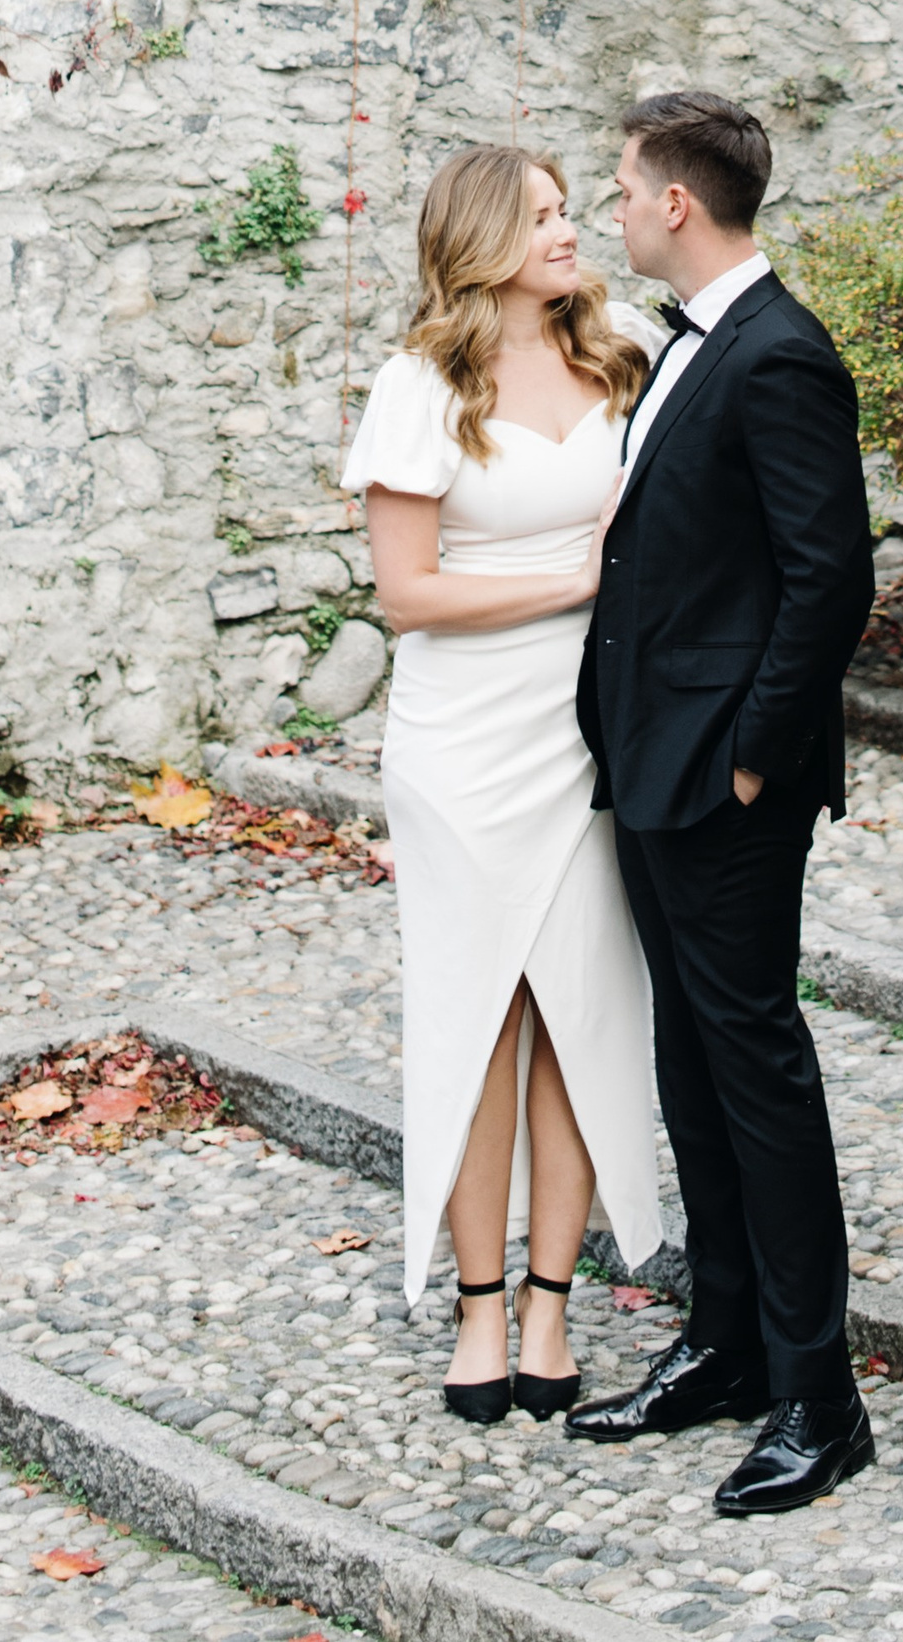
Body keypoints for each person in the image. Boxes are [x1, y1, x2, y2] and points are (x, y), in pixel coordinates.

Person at [567, 89, 878, 1515]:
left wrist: (752, 753)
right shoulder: (690, 346)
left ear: (678, 202)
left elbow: (834, 579)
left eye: (625, 186)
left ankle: (823, 1396)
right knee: (690, 1062)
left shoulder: (779, 354)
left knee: (757, 1073)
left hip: (724, 777)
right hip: (647, 761)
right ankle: (727, 1339)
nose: (616, 206)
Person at [343, 143, 666, 1423]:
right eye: (539, 215)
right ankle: (477, 1313)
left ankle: (550, 1306)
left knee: (580, 1011)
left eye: (570, 208)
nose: (569, 228)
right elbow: (407, 593)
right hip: (464, 740)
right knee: (479, 1024)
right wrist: (576, 584)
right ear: (480, 236)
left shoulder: (622, 351)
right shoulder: (420, 385)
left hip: (595, 732)